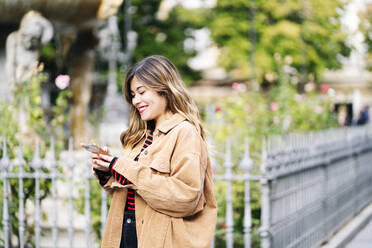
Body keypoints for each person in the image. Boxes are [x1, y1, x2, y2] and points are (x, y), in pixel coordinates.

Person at [84, 55, 217, 248]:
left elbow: (186, 198)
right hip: (125, 231)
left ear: (164, 89)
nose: (136, 100)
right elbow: (136, 193)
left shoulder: (184, 132)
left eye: (141, 92)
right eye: (133, 95)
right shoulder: (139, 137)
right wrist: (109, 171)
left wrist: (123, 166)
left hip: (159, 239)